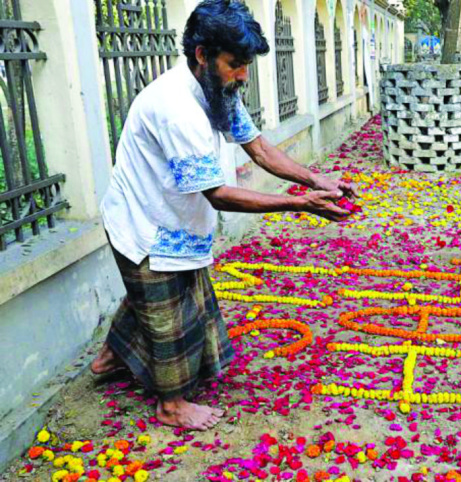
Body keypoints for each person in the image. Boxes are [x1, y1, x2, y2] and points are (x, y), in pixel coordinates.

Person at [91, 0, 354, 430]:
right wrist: (299, 204)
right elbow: (218, 194)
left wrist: (314, 182)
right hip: (144, 225)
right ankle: (171, 406)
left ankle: (107, 360)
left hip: (175, 220)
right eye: (236, 64)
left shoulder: (218, 90)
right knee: (167, 315)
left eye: (246, 64)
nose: (243, 75)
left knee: (162, 298)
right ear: (202, 55)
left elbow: (259, 147)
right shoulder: (176, 108)